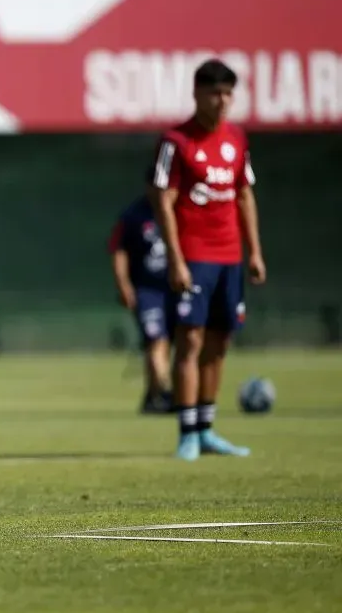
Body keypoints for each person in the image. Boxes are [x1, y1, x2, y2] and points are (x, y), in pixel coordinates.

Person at [147, 59, 267, 461]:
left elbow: (244, 195)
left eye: (228, 93)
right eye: (214, 93)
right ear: (196, 94)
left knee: (219, 342)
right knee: (191, 340)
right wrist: (177, 260)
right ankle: (187, 433)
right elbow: (162, 200)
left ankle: (207, 428)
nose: (222, 101)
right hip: (195, 256)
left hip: (230, 256)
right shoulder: (176, 141)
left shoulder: (236, 139)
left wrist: (255, 252)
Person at [108, 195, 174, 414]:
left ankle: (152, 395)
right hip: (146, 291)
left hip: (174, 287)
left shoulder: (182, 208)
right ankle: (165, 393)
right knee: (156, 340)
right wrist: (124, 285)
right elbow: (119, 251)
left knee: (168, 344)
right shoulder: (133, 215)